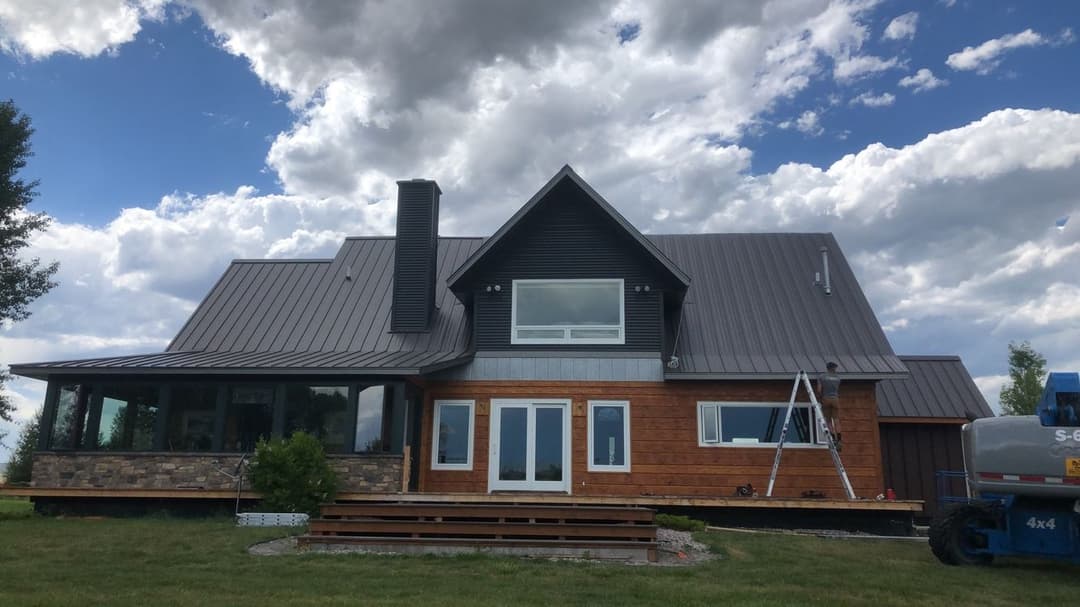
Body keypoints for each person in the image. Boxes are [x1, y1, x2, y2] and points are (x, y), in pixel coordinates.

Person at [817, 361, 841, 448]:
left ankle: (832, 438)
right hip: (835, 399)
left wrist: (819, 398)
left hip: (826, 399)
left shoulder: (822, 377)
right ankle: (839, 439)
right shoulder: (838, 378)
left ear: (827, 368)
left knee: (828, 420)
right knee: (836, 420)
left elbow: (819, 390)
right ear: (834, 368)